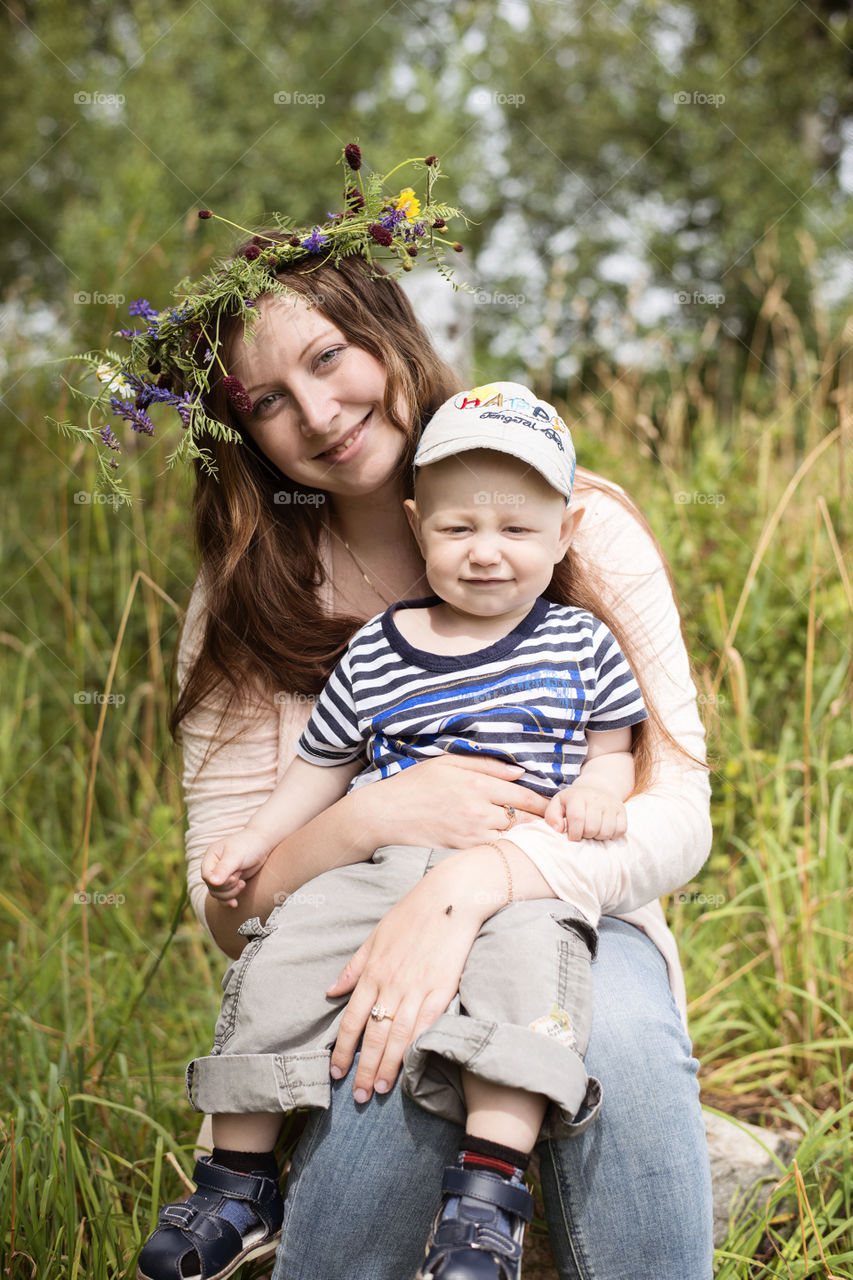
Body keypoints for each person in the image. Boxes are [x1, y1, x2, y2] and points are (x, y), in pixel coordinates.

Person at [66, 147, 713, 1279]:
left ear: (388, 330)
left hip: (567, 903)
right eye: (265, 399)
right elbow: (229, 911)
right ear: (240, 430)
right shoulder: (245, 600)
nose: (317, 413)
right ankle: (263, 1203)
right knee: (380, 1094)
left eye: (329, 355)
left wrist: (477, 879)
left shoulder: (572, 526)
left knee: (623, 1048)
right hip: (356, 919)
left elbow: (676, 820)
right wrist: (375, 818)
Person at [137, 383, 651, 1280]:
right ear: (418, 527)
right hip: (376, 873)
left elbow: (615, 748)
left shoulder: (580, 643)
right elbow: (321, 766)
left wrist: (601, 791)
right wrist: (255, 841)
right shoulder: (382, 645)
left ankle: (485, 1205)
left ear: (564, 533)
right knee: (284, 956)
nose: (485, 554)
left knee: (529, 989)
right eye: (457, 531)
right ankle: (238, 1179)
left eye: (516, 532)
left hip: (516, 871)